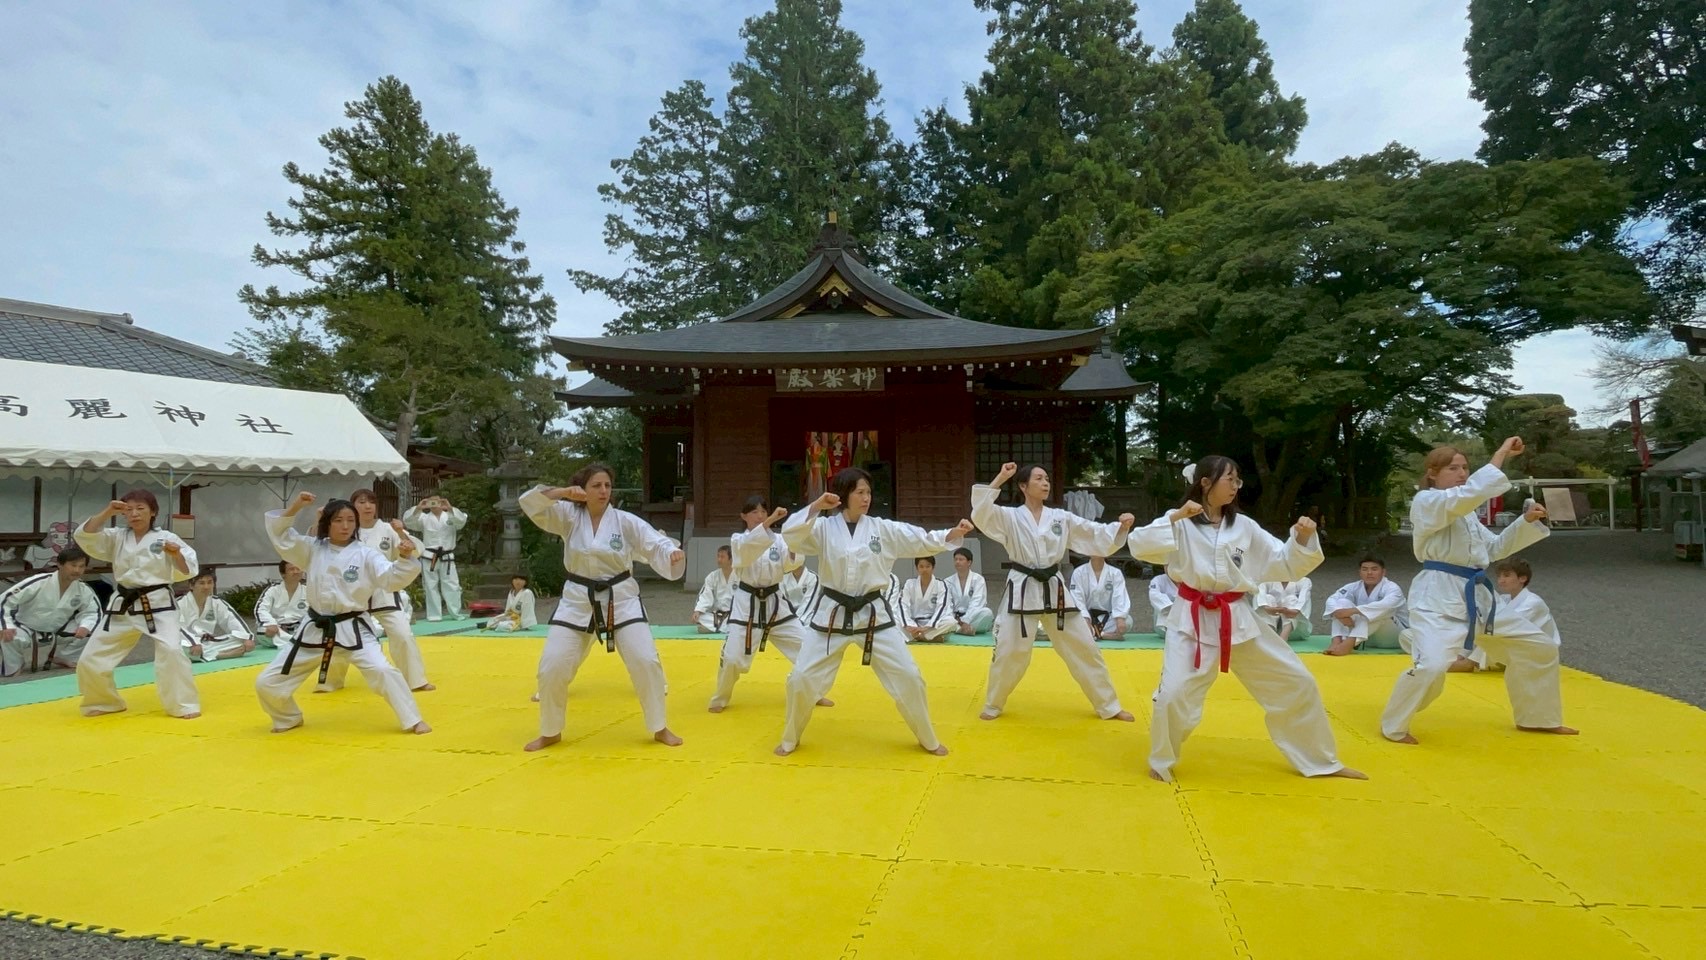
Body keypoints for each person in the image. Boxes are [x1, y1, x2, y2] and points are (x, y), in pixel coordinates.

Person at [1128, 457, 1364, 782]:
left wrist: (1303, 539)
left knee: (1296, 681)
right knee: (1172, 694)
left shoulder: (1244, 526)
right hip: (1191, 620)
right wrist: (1175, 516)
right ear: (1206, 482)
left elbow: (1282, 561)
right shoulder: (1180, 522)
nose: (1236, 486)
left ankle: (1320, 760)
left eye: (1238, 480)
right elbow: (1139, 545)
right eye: (1230, 479)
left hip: (1237, 616)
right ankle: (1162, 760)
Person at [777, 467, 971, 756]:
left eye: (868, 492)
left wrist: (951, 534)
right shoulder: (823, 528)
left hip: (873, 613)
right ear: (845, 495)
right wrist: (816, 506)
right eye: (859, 492)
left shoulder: (882, 529)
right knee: (801, 677)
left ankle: (927, 737)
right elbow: (791, 536)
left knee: (909, 675)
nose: (866, 498)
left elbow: (919, 539)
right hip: (832, 613)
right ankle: (790, 738)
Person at [1380, 439, 1558, 743]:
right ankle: (1394, 725)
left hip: (1478, 596)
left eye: (1465, 467)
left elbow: (1494, 548)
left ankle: (1537, 718)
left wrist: (1525, 522)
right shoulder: (1427, 501)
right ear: (1432, 473)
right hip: (1438, 596)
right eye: (1453, 468)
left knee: (1539, 647)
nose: (1462, 473)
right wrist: (1500, 455)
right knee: (1432, 666)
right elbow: (1467, 495)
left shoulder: (1466, 513)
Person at [519, 463, 686, 751]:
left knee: (646, 661)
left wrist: (671, 552)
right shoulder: (568, 515)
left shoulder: (624, 521)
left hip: (621, 599)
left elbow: (654, 542)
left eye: (607, 485)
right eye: (596, 485)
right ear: (582, 489)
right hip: (577, 599)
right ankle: (551, 730)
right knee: (552, 666)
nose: (603, 491)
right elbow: (530, 503)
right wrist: (563, 492)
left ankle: (659, 726)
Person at [971, 463, 1137, 722]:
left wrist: (1120, 528)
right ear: (1023, 486)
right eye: (1038, 479)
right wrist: (1001, 477)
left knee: (1084, 646)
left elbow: (1092, 532)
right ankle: (994, 703)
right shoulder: (1009, 517)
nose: (1045, 483)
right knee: (1010, 650)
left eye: (1047, 478)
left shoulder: (1060, 518)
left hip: (1054, 586)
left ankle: (1109, 706)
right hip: (1023, 585)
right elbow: (981, 513)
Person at [255, 493, 429, 734]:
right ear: (327, 523)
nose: (345, 526)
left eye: (350, 520)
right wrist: (296, 506)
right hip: (315, 628)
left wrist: (405, 557)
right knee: (267, 682)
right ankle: (287, 718)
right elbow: (281, 535)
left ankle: (413, 719)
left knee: (383, 671)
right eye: (338, 520)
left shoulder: (366, 554)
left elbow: (390, 578)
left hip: (352, 627)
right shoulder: (312, 548)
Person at [73, 491, 202, 719]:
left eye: (140, 508)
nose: (134, 514)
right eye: (129, 510)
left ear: (153, 512)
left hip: (158, 604)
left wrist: (176, 554)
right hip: (123, 604)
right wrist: (108, 512)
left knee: (172, 652)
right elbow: (85, 536)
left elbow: (188, 569)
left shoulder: (166, 537)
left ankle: (183, 704)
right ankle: (104, 701)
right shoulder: (117, 537)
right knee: (90, 658)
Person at [708, 495, 834, 712]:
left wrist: (793, 544)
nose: (760, 516)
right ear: (743, 516)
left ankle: (814, 692)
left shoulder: (779, 540)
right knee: (731, 659)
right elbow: (747, 553)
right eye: (754, 512)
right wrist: (770, 522)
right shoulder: (738, 540)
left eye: (763, 512)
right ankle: (720, 699)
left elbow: (790, 564)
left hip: (776, 603)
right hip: (747, 605)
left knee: (807, 648)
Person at [318, 489, 433, 692]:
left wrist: (400, 532)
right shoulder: (346, 530)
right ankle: (331, 682)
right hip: (352, 594)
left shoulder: (388, 529)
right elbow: (319, 545)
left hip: (383, 592)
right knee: (339, 637)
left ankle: (416, 680)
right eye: (362, 502)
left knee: (403, 634)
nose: (368, 506)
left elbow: (415, 552)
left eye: (371, 502)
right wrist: (322, 519)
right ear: (352, 506)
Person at [1458, 558, 1575, 732]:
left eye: (1506, 576)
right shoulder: (1504, 599)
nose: (1501, 580)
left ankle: (1469, 663)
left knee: (1490, 631)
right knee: (1483, 628)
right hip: (1516, 650)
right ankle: (1528, 721)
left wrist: (1467, 656)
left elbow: (1502, 629)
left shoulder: (1533, 602)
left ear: (1522, 578)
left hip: (1537, 651)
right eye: (1499, 576)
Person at [1, 544, 100, 675]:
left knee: (95, 628)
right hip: (25, 629)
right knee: (6, 636)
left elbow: (92, 612)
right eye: (73, 565)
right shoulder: (38, 582)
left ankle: (67, 656)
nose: (77, 570)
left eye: (81, 566)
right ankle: (14, 666)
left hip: (57, 630)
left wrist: (85, 626)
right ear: (59, 564)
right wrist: (5, 626)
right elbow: (4, 601)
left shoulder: (83, 589)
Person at [1322, 556, 1408, 656]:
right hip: (1366, 637)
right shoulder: (1354, 586)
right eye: (1365, 569)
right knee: (1341, 602)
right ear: (1360, 572)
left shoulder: (1392, 588)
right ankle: (1337, 641)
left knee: (1380, 613)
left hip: (1393, 637)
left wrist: (1351, 611)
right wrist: (1339, 614)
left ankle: (1349, 643)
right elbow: (1332, 599)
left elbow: (1387, 606)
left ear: (1383, 572)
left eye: (1374, 569)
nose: (1369, 573)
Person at [402, 494, 467, 622]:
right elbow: (409, 522)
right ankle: (434, 615)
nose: (434, 504)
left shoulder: (450, 516)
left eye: (437, 502)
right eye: (431, 502)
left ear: (442, 503)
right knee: (430, 586)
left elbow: (461, 522)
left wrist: (450, 508)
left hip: (447, 556)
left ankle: (456, 613)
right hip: (429, 556)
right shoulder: (424, 518)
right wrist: (418, 508)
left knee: (452, 585)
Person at [176, 570, 254, 663]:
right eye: (201, 583)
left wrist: (247, 638)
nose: (206, 587)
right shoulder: (179, 604)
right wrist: (193, 643)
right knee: (182, 649)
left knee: (241, 640)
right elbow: (178, 628)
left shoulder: (217, 602)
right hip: (188, 643)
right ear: (191, 586)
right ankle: (221, 655)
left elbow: (232, 619)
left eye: (210, 582)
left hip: (208, 643)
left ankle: (207, 655)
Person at [1070, 555, 1131, 640]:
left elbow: (1119, 597)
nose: (1096, 552)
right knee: (1070, 622)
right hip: (1087, 618)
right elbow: (1077, 599)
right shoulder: (1078, 572)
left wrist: (1120, 618)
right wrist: (1085, 619)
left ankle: (1093, 634)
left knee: (1128, 621)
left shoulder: (1115, 573)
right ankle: (1103, 635)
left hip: (1106, 619)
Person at [254, 560, 308, 649]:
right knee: (263, 631)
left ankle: (292, 642)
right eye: (291, 569)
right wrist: (270, 623)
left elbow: (314, 612)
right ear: (283, 574)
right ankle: (297, 643)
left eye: (298, 569)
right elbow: (261, 609)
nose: (296, 572)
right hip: (277, 629)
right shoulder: (273, 590)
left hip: (298, 629)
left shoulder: (307, 591)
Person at [902, 555, 955, 642]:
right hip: (914, 623)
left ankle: (923, 636)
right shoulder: (909, 584)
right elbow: (903, 606)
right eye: (921, 566)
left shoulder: (941, 585)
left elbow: (942, 608)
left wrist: (928, 626)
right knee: (895, 620)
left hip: (932, 624)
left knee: (951, 622)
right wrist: (910, 625)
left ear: (933, 567)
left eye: (928, 566)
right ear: (917, 568)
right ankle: (930, 637)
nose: (924, 569)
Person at [943, 547, 994, 635]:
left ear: (969, 562)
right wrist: (955, 620)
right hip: (955, 619)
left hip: (972, 617)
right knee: (943, 618)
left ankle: (960, 629)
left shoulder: (978, 579)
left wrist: (965, 621)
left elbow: (977, 602)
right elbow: (947, 604)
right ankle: (965, 629)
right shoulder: (948, 581)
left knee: (987, 613)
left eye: (961, 559)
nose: (957, 562)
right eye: (955, 559)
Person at [1255, 578, 1313, 642]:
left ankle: (1283, 638)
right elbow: (1260, 594)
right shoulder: (1266, 579)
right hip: (1267, 628)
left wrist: (1292, 611)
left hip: (1294, 630)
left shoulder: (1304, 581)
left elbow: (1303, 600)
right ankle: (1270, 634)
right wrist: (1267, 608)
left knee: (1291, 599)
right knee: (1268, 598)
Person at [693, 546, 736, 633]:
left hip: (736, 615)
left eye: (722, 557)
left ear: (731, 559)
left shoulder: (740, 576)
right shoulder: (712, 576)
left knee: (744, 620)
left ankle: (717, 628)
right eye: (718, 556)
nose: (719, 559)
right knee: (700, 617)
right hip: (719, 616)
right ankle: (725, 628)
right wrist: (698, 610)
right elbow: (705, 595)